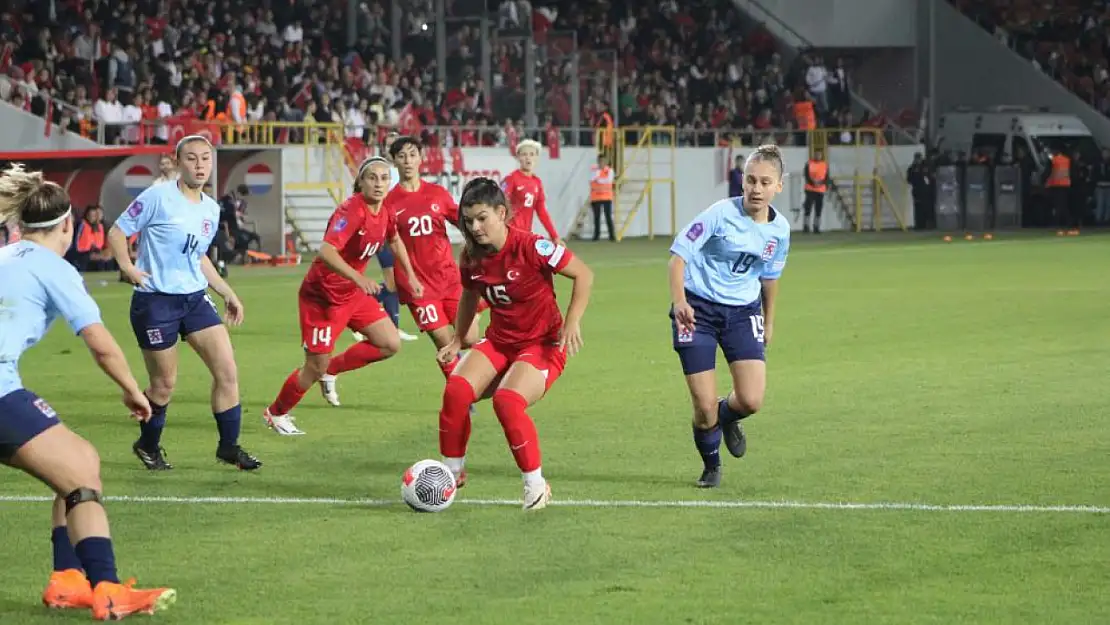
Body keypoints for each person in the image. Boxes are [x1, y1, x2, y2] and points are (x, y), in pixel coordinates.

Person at [0, 164, 176, 620]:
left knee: (80, 462)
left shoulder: (6, 255)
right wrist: (133, 390)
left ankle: (67, 580)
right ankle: (109, 589)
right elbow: (100, 343)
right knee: (81, 478)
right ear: (67, 225)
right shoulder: (53, 268)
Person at [436, 178, 594, 510]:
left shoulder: (532, 246)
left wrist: (572, 321)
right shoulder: (471, 257)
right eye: (468, 220)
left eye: (482, 218)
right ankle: (452, 474)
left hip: (543, 345)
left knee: (507, 402)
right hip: (500, 341)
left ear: (501, 213)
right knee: (456, 390)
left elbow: (584, 274)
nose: (475, 227)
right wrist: (456, 339)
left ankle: (535, 485)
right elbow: (468, 297)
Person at [106, 135, 261, 471]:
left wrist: (226, 292)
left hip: (193, 300)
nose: (200, 165)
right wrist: (127, 266)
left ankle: (229, 447)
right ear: (178, 161)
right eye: (192, 158)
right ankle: (148, 446)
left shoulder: (210, 207)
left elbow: (199, 256)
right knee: (163, 386)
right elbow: (117, 232)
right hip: (155, 302)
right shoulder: (158, 196)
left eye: (206, 158)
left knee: (227, 372)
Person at [263, 158, 423, 434]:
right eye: (372, 177)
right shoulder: (351, 211)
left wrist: (410, 275)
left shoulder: (387, 211)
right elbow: (325, 251)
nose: (379, 183)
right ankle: (276, 413)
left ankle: (331, 370)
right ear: (360, 181)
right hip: (323, 296)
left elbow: (395, 240)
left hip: (351, 294)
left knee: (389, 343)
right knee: (313, 366)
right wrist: (359, 278)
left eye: (384, 178)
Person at [667, 144, 791, 489]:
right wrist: (679, 302)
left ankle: (727, 416)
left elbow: (770, 277)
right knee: (702, 406)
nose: (755, 188)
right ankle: (711, 466)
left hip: (743, 312)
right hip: (698, 311)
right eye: (750, 180)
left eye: (765, 182)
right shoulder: (718, 214)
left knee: (751, 400)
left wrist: (769, 319)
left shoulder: (780, 231)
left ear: (778, 186)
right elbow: (677, 258)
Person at [382, 136, 484, 381]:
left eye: (412, 155)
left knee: (469, 339)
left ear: (421, 158)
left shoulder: (437, 194)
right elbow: (385, 242)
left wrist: (480, 246)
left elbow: (463, 223)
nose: (408, 161)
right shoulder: (389, 203)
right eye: (402, 156)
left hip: (448, 278)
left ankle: (481, 315)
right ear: (394, 161)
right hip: (417, 286)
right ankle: (460, 395)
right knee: (444, 342)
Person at [355, 130, 418, 343]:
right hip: (383, 235)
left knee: (394, 284)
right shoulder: (377, 169)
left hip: (396, 234)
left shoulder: (401, 174)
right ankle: (361, 310)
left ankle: (388, 322)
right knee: (392, 283)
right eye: (392, 144)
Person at [501, 139, 563, 244]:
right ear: (518, 157)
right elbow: (499, 202)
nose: (528, 158)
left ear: (536, 158)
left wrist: (554, 236)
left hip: (525, 235)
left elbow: (542, 212)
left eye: (532, 154)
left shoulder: (537, 182)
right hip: (509, 234)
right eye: (524, 154)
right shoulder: (511, 178)